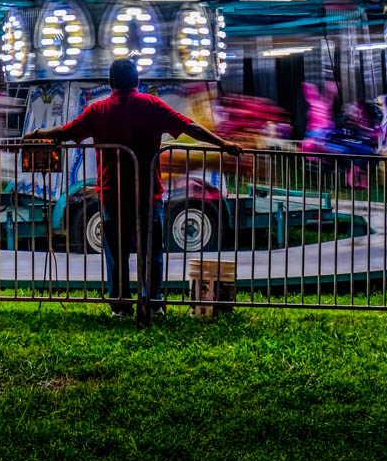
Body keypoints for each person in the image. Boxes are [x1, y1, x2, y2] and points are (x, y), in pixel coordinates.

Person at [31, 59, 240, 316]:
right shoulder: (151, 105)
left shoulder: (98, 110)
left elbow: (65, 132)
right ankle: (152, 303)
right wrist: (223, 144)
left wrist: (36, 134)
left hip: (113, 194)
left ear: (110, 82)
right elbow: (190, 126)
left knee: (116, 254)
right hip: (148, 193)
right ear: (137, 81)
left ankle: (120, 306)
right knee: (151, 252)